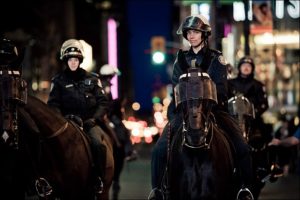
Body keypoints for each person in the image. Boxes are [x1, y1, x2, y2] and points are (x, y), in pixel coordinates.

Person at [150, 14, 253, 199]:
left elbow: (220, 89)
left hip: (214, 111)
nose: (191, 35)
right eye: (189, 32)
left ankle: (244, 189)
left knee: (242, 146)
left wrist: (206, 104)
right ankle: (157, 190)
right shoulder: (180, 59)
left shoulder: (216, 58)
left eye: (196, 31)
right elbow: (176, 87)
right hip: (184, 112)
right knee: (159, 149)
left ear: (204, 34)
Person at [47, 39, 109, 194]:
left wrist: (94, 119)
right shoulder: (58, 81)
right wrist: (63, 119)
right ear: (65, 61)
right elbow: (52, 105)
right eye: (70, 59)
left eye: (76, 59)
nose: (73, 62)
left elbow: (103, 103)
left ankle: (98, 179)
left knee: (98, 144)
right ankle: (45, 182)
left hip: (89, 123)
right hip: (67, 124)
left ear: (80, 61)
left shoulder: (93, 79)